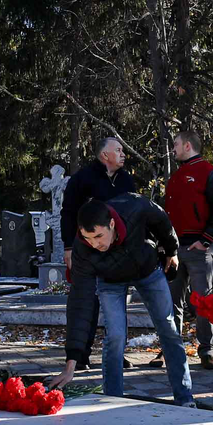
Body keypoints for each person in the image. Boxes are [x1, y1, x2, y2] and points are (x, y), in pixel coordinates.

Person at [48, 195, 194, 406]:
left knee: (168, 328)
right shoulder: (83, 251)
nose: (94, 244)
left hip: (148, 270)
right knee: (115, 336)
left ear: (112, 224)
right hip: (110, 281)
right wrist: (71, 364)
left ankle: (185, 399)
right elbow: (80, 303)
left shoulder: (134, 207)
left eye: (99, 236)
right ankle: (113, 400)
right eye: (88, 238)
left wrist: (171, 250)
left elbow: (162, 220)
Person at [59, 137, 136, 370]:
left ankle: (115, 354)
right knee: (84, 302)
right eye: (119, 150)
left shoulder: (126, 180)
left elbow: (132, 213)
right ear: (105, 155)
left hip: (117, 252)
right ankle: (79, 356)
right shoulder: (82, 179)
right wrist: (69, 247)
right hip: (86, 250)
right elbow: (68, 212)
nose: (123, 154)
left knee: (115, 302)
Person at [164, 130, 213, 369]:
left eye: (176, 144)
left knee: (204, 301)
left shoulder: (210, 173)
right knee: (171, 302)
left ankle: (207, 350)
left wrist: (205, 240)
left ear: (188, 145)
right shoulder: (176, 176)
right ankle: (171, 349)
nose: (173, 149)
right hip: (174, 250)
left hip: (200, 249)